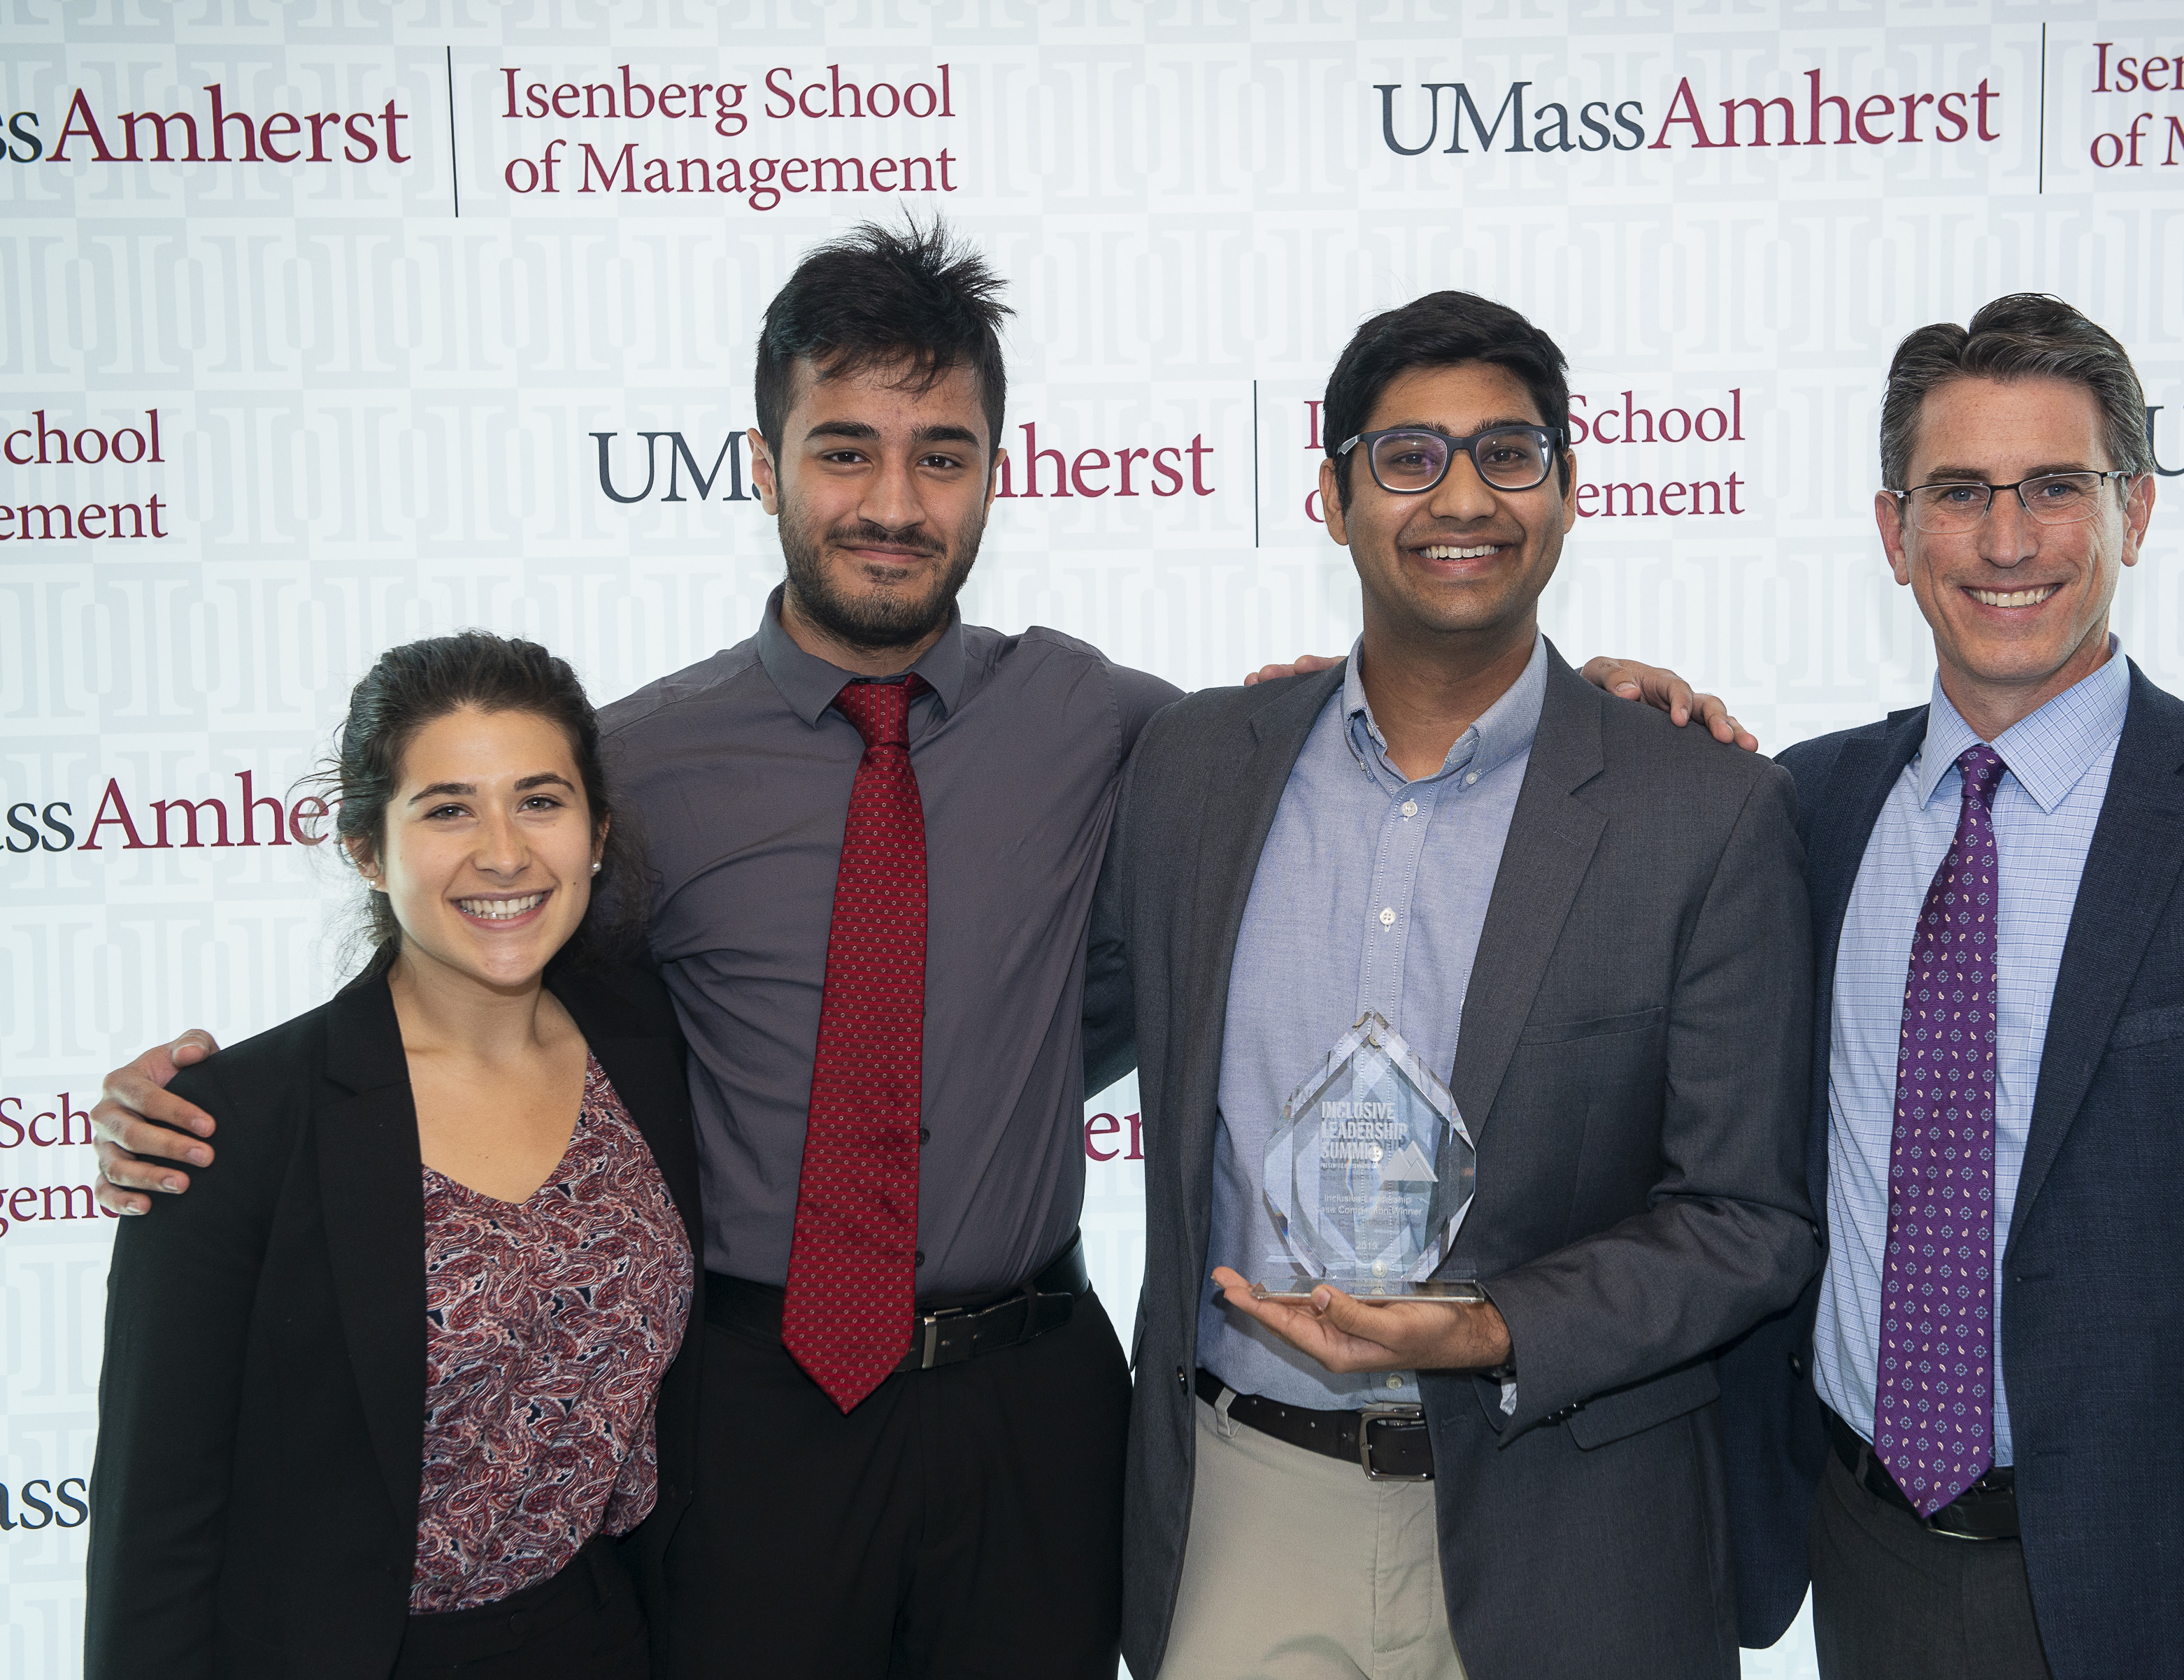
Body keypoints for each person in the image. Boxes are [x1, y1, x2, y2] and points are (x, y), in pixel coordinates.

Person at [88, 221, 1757, 1679]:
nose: (893, 503)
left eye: (942, 454)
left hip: (1030, 1407)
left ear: (995, 473)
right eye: (845, 450)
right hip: (748, 1407)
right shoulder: (637, 765)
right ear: (762, 464)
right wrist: (233, 1107)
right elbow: (477, 956)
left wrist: (1607, 704)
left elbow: (1366, 728)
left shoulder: (1115, 726)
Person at [1592, 295, 2184, 1680]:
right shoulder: (1797, 813)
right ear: (1895, 533)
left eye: (2055, 487)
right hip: (1867, 1558)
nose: (2008, 541)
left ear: (2136, 509)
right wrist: (1587, 742)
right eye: (1960, 493)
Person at [1086, 290, 1820, 1680]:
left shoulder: (1704, 808)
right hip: (1247, 1511)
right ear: (1333, 498)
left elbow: (1750, 1220)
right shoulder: (1194, 769)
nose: (1464, 496)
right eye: (1409, 456)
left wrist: (1493, 1328)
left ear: (1571, 492)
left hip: (1574, 1529)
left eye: (1509, 452)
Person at [85, 632, 699, 1679]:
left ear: (597, 831)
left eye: (540, 801)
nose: (503, 853)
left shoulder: (653, 1046)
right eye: (448, 808)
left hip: (601, 1638)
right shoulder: (232, 1126)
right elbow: (157, 1526)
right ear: (368, 849)